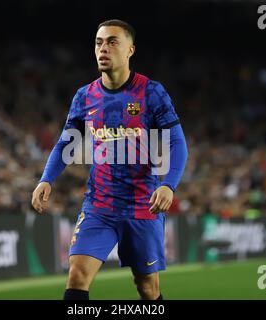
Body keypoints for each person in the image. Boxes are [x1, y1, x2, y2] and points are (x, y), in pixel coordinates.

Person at [32, 19, 188, 300]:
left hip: (143, 205)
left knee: (147, 287)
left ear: (130, 49)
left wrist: (169, 184)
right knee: (77, 275)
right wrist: (46, 179)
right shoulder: (85, 96)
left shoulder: (151, 92)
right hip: (99, 204)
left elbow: (177, 142)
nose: (103, 48)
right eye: (98, 42)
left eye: (112, 41)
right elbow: (67, 142)